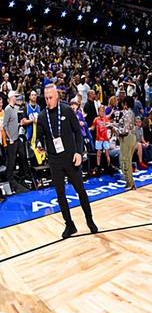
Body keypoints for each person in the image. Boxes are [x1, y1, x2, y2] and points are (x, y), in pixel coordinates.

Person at [35, 84, 98, 238]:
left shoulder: (67, 110)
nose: (48, 100)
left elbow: (78, 132)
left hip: (71, 158)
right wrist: (39, 145)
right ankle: (69, 225)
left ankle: (90, 220)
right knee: (60, 194)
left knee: (80, 191)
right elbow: (39, 137)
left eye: (51, 97)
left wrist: (78, 152)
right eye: (46, 98)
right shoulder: (42, 116)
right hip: (54, 161)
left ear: (57, 96)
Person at [115, 97, 137, 190]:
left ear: (126, 104)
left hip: (127, 137)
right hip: (130, 137)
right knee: (127, 160)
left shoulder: (128, 114)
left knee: (125, 160)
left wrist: (115, 129)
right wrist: (113, 125)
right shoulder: (130, 113)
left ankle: (130, 183)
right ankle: (129, 182)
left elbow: (125, 130)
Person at [3, 91, 22, 192]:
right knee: (11, 160)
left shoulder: (14, 109)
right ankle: (9, 179)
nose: (16, 98)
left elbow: (13, 122)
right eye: (15, 96)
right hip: (11, 140)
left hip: (16, 138)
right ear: (11, 98)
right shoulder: (7, 109)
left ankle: (13, 177)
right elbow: (5, 125)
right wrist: (9, 137)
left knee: (15, 158)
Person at [91, 105, 111, 173]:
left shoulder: (106, 119)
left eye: (103, 111)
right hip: (98, 139)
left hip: (105, 139)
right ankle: (98, 167)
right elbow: (92, 127)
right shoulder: (96, 119)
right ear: (98, 112)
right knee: (98, 153)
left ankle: (109, 166)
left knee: (107, 153)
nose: (101, 113)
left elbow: (110, 128)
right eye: (100, 111)